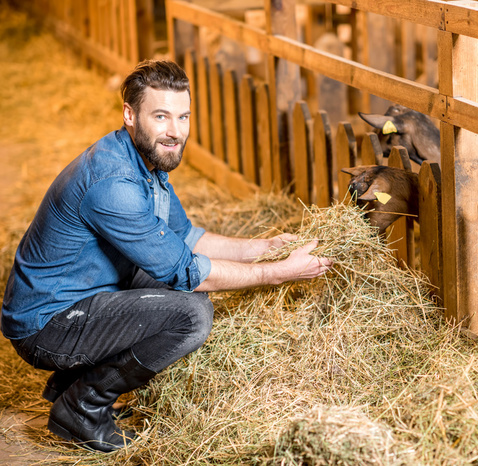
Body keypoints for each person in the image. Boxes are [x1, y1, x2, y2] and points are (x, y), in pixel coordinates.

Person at [1, 59, 333, 452]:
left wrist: (266, 248)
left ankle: (74, 382)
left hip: (86, 296)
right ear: (130, 114)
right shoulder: (114, 183)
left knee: (179, 294)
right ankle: (83, 407)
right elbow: (188, 271)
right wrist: (280, 273)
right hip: (47, 323)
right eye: (161, 116)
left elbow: (187, 238)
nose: (175, 132)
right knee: (192, 316)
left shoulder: (147, 163)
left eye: (183, 116)